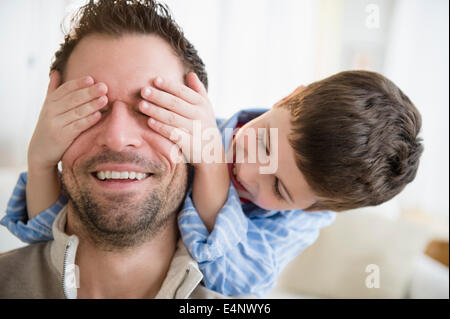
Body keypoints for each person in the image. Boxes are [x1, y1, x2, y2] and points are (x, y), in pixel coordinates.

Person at [1, 1, 424, 298]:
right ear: (286, 98)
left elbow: (239, 283)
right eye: (263, 142)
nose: (248, 171)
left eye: (278, 186)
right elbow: (47, 241)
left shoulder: (287, 226)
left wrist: (208, 163)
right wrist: (42, 159)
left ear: (309, 209)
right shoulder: (204, 125)